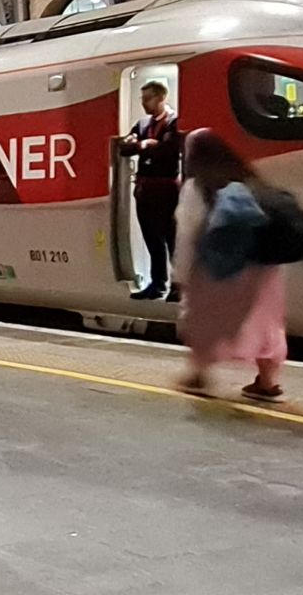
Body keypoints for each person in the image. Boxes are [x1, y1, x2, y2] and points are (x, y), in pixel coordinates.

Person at [173, 129, 289, 401]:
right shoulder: (250, 179)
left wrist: (181, 273)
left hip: (218, 267)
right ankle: (267, 382)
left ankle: (198, 376)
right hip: (263, 269)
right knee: (266, 324)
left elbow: (188, 233)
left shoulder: (197, 186)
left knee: (206, 322)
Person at [119, 80, 181, 301]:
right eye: (142, 99)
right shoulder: (143, 124)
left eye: (148, 98)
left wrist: (142, 145)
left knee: (172, 238)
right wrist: (145, 145)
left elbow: (169, 149)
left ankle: (179, 284)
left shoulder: (175, 122)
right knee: (152, 239)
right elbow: (125, 148)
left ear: (161, 98)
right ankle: (157, 283)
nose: (144, 104)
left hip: (166, 188)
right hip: (145, 188)